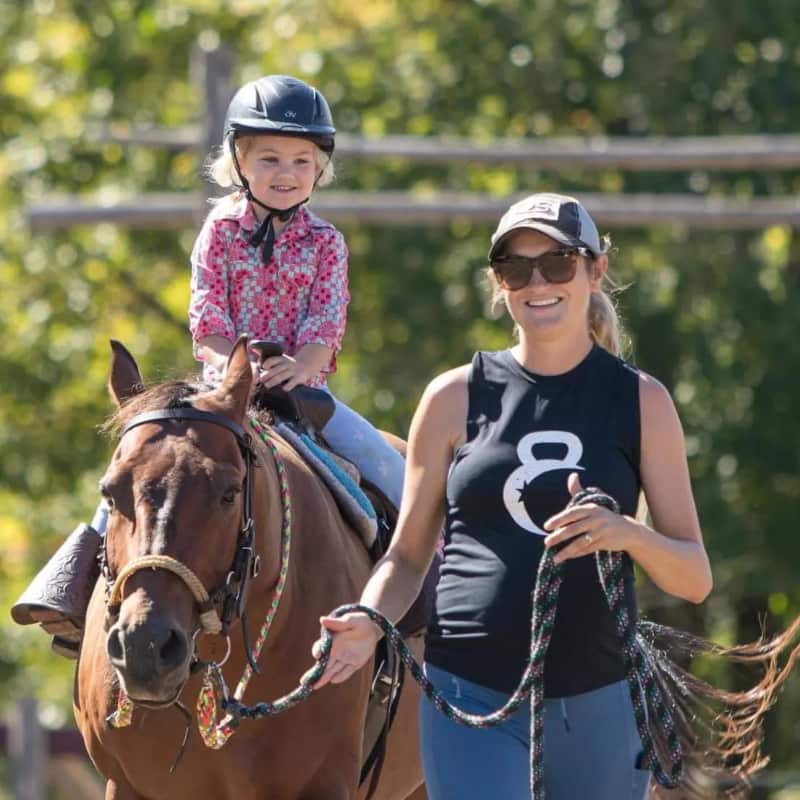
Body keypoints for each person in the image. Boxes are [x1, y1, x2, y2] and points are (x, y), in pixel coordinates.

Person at [310, 192, 714, 800]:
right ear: (499, 284)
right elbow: (409, 555)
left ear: (594, 269)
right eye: (516, 269)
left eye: (557, 263)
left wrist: (626, 534)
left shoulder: (642, 402)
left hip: (598, 692)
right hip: (468, 689)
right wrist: (370, 620)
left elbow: (694, 577)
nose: (537, 283)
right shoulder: (452, 397)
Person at [12, 75, 405, 655]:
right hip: (222, 384)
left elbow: (327, 322)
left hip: (299, 387)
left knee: (380, 458)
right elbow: (209, 316)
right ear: (238, 161)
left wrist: (300, 366)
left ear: (320, 169)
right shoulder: (218, 231)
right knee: (141, 465)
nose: (285, 172)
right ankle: (74, 588)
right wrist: (230, 368)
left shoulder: (327, 243)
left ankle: (425, 584)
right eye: (268, 157)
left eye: (302, 160)